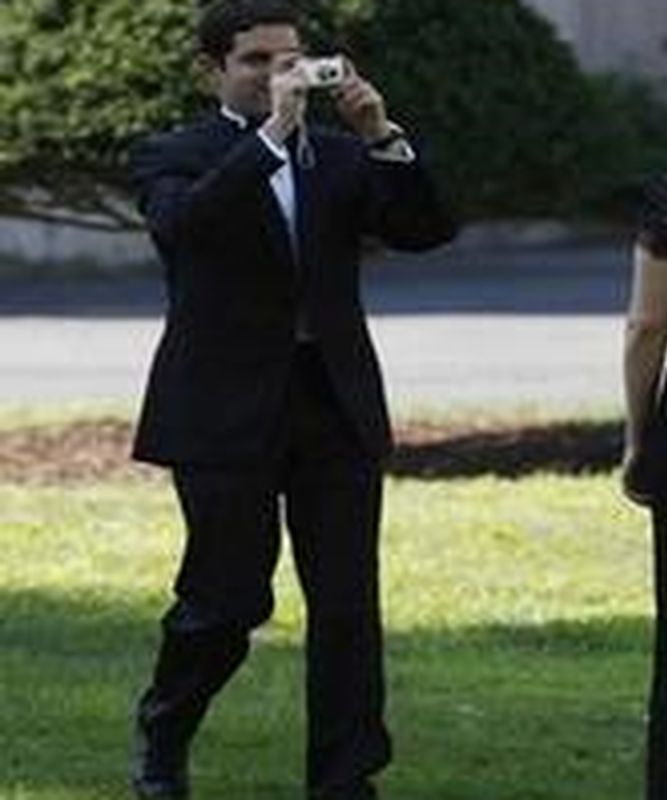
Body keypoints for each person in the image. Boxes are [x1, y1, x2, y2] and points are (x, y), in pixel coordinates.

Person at [126, 1, 457, 798]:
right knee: (226, 598)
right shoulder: (174, 153)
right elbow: (188, 228)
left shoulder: (340, 158)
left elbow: (427, 228)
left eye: (293, 59)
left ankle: (345, 779)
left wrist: (382, 136)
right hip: (221, 408)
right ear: (213, 70)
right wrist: (270, 140)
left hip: (331, 400)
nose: (282, 75)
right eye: (258, 61)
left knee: (347, 606)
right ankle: (165, 728)